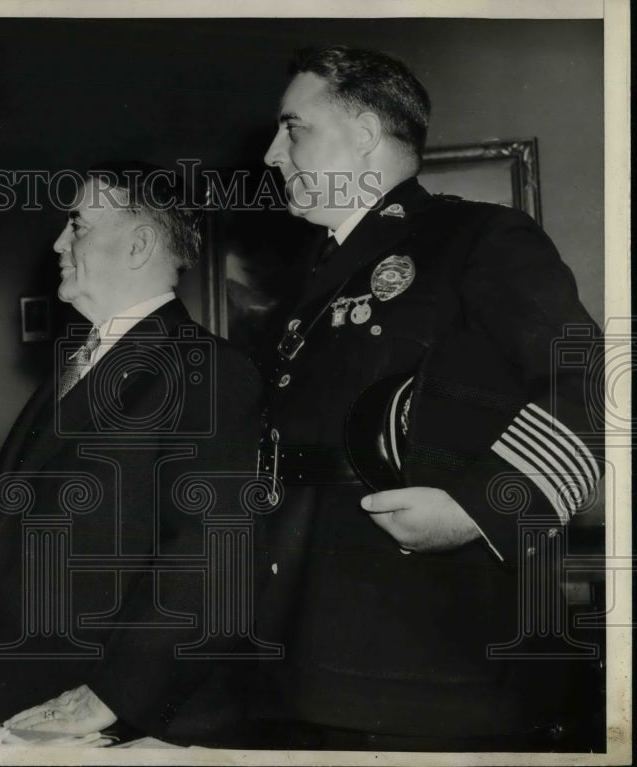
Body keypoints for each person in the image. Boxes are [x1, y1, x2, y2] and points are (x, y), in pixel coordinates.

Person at [251, 46, 604, 750]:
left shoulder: (477, 238)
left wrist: (478, 507)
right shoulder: (314, 279)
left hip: (427, 658)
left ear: (363, 135)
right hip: (307, 640)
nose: (270, 153)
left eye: (293, 128)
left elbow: (590, 382)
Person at [0, 163, 266, 744]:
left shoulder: (209, 373)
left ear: (138, 244)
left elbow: (214, 555)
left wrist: (116, 695)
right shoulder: (78, 365)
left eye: (77, 225)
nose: (58, 242)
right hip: (20, 700)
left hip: (105, 718)